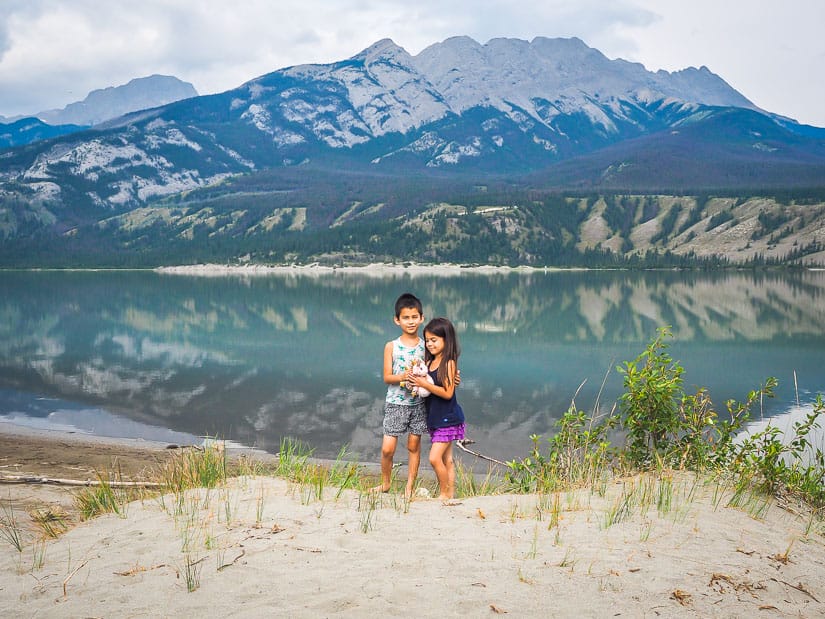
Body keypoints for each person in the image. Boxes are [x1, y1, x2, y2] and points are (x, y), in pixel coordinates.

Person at [374, 292, 428, 497]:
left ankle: (409, 488)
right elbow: (387, 377)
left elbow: (434, 372)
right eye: (406, 317)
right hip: (396, 403)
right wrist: (405, 376)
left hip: (419, 404)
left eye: (415, 317)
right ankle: (386, 483)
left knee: (414, 445)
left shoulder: (426, 346)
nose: (411, 321)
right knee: (388, 448)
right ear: (397, 320)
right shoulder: (392, 346)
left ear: (422, 318)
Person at [407, 316, 465, 501]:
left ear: (446, 340)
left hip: (447, 418)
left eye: (434, 340)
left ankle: (443, 494)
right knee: (447, 460)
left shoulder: (448, 362)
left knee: (434, 458)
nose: (430, 344)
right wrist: (415, 382)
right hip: (436, 418)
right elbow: (426, 385)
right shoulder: (429, 362)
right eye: (428, 340)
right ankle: (451, 494)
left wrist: (424, 383)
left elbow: (447, 393)